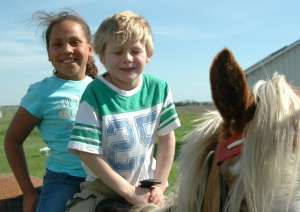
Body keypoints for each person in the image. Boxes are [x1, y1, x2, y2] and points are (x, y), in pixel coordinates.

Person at [66, 10, 181, 211]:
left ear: (148, 54)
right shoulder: (94, 93)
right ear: (102, 56)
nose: (127, 58)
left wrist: (160, 186)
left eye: (135, 51)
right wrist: (128, 192)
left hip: (148, 185)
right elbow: (87, 152)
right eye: (118, 52)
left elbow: (166, 138)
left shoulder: (159, 88)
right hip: (104, 185)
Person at [4, 8, 98, 212]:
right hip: (64, 180)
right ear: (48, 53)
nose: (66, 49)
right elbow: (12, 140)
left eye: (75, 42)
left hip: (104, 177)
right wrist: (28, 192)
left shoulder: (102, 88)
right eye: (57, 44)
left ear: (89, 49)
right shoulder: (41, 92)